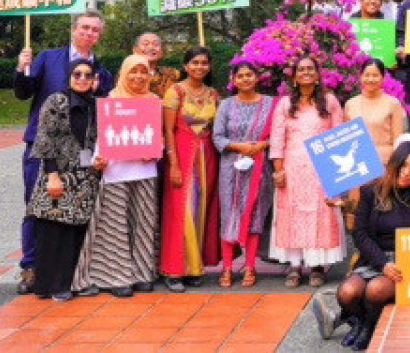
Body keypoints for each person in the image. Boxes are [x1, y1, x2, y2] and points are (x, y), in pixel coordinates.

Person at [12, 10, 113, 295]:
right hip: (42, 148)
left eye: (94, 29)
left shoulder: (102, 71)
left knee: (75, 211)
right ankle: (31, 266)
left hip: (81, 155)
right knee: (37, 206)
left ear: (99, 35)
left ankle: (70, 271)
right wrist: (22, 69)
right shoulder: (47, 57)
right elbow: (23, 92)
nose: (89, 33)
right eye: (84, 27)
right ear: (73, 30)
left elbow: (103, 111)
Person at [325, 141, 410, 350]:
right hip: (375, 258)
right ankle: (359, 321)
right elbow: (359, 233)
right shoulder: (371, 191)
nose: (406, 173)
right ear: (394, 163)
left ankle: (368, 328)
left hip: (405, 263)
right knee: (346, 293)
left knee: (375, 290)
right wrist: (383, 263)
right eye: (403, 165)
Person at [71, 55, 161, 298]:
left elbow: (158, 135)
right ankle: (116, 277)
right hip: (116, 170)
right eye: (133, 71)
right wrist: (97, 159)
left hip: (145, 170)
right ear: (123, 73)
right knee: (114, 224)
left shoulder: (153, 100)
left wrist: (155, 151)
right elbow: (101, 135)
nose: (138, 77)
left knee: (143, 222)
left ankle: (142, 273)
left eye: (143, 72)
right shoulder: (112, 99)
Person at [26, 59, 105, 300]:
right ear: (69, 77)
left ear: (94, 80)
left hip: (84, 178)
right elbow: (44, 138)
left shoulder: (95, 105)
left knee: (76, 233)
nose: (82, 79)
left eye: (87, 75)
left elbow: (98, 140)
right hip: (58, 176)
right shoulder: (56, 101)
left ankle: (73, 281)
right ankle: (51, 285)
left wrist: (100, 161)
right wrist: (52, 176)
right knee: (54, 232)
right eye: (77, 74)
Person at [270, 55, 345, 288]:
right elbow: (277, 138)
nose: (305, 73)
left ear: (317, 73)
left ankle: (317, 267)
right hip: (292, 168)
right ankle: (294, 265)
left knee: (319, 213)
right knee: (292, 213)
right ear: (294, 75)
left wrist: (337, 174)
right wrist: (278, 170)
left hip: (321, 169)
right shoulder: (284, 104)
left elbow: (339, 136)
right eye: (301, 69)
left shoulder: (330, 101)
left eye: (310, 69)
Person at [159, 47, 221, 292]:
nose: (199, 67)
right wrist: (173, 163)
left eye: (204, 63)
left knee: (201, 210)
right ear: (185, 66)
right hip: (182, 156)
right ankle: (174, 269)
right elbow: (168, 131)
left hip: (208, 158)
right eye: (194, 62)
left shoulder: (214, 94)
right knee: (181, 212)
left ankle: (195, 267)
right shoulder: (174, 92)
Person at [213, 61, 276, 288]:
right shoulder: (226, 105)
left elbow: (278, 134)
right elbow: (217, 137)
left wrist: (261, 145)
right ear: (233, 80)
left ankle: (250, 266)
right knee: (230, 215)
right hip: (231, 168)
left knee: (254, 215)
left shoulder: (270, 104)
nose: (245, 79)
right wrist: (241, 147)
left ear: (257, 78)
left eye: (249, 75)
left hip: (260, 167)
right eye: (240, 76)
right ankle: (228, 268)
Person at [344, 59, 407, 165]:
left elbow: (398, 142)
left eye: (375, 75)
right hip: (357, 164)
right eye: (367, 75)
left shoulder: (393, 103)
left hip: (385, 163)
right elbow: (346, 139)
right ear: (361, 77)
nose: (370, 79)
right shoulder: (350, 104)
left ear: (383, 78)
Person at [132, 32, 178, 97]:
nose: (151, 47)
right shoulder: (127, 74)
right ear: (135, 50)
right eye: (146, 44)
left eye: (156, 45)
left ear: (161, 51)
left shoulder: (172, 74)